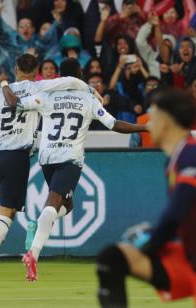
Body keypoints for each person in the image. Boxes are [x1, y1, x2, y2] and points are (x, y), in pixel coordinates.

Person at [96, 88, 196, 308]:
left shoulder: (194, 154)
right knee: (112, 258)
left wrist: (151, 241)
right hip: (192, 255)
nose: (149, 121)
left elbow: (177, 213)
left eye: (153, 114)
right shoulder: (177, 158)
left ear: (166, 121)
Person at [0, 54, 97, 281]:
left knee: (5, 204)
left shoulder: (0, 92)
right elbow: (71, 81)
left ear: (16, 68)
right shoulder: (41, 87)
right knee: (8, 212)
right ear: (37, 70)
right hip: (16, 156)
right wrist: (92, 92)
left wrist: (3, 85)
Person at [17, 58, 147, 281]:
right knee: (54, 202)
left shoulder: (48, 95)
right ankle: (33, 254)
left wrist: (5, 88)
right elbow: (114, 124)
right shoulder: (88, 98)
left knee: (67, 204)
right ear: (79, 74)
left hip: (47, 157)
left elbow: (19, 104)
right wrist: (144, 126)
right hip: (70, 158)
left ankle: (38, 225)